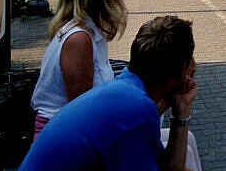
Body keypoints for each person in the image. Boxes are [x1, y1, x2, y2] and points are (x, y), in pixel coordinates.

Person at [20, 15, 200, 171]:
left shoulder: (124, 89)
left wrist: (181, 108)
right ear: (183, 69)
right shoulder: (137, 108)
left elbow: (168, 167)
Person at [31, 0, 128, 137]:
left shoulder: (88, 33)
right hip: (62, 141)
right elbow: (82, 113)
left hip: (71, 135)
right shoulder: (78, 40)